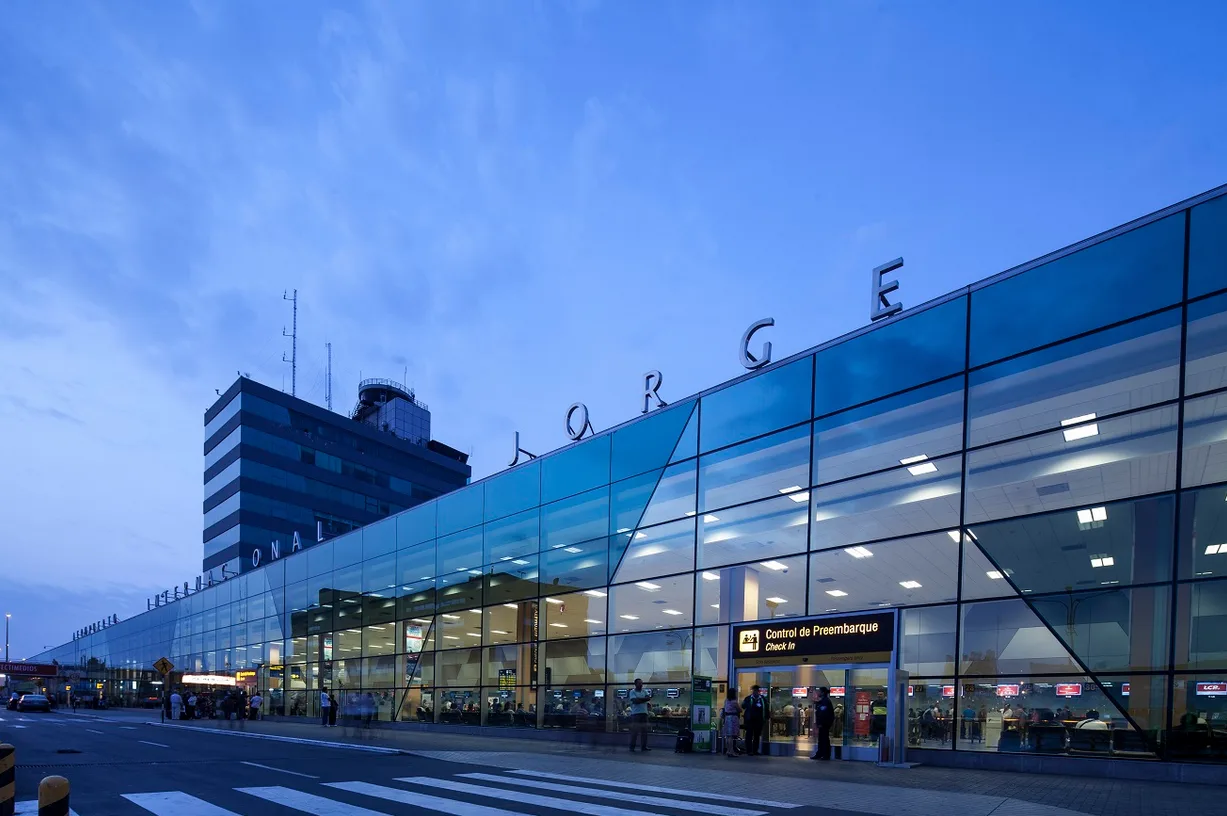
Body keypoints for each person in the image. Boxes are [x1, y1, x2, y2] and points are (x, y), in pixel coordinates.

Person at [810, 687, 836, 760]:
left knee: (824, 739)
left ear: (823, 693)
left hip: (824, 724)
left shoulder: (826, 701)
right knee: (821, 739)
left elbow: (823, 713)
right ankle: (820, 753)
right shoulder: (823, 701)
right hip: (822, 724)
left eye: (819, 691)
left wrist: (821, 723)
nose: (818, 693)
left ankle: (825, 755)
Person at [628, 678, 652, 752]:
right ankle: (632, 747)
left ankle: (644, 747)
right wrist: (644, 699)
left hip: (644, 713)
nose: (641, 684)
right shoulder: (632, 692)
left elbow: (648, 698)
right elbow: (635, 701)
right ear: (635, 684)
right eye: (639, 683)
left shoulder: (644, 691)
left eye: (642, 683)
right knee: (635, 732)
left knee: (644, 732)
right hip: (636, 714)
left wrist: (639, 699)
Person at [742, 684, 766, 756]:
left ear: (758, 691)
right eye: (754, 691)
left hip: (759, 721)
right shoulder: (748, 698)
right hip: (750, 721)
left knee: (757, 736)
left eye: (756, 691)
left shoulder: (762, 699)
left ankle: (755, 750)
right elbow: (743, 706)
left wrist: (766, 717)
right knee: (749, 735)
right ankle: (749, 750)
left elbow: (766, 708)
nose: (755, 692)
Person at [720, 688, 741, 758]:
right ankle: (731, 752)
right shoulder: (734, 702)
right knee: (731, 736)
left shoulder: (726, 701)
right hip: (733, 718)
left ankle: (728, 750)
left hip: (727, 718)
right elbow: (739, 709)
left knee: (728, 736)